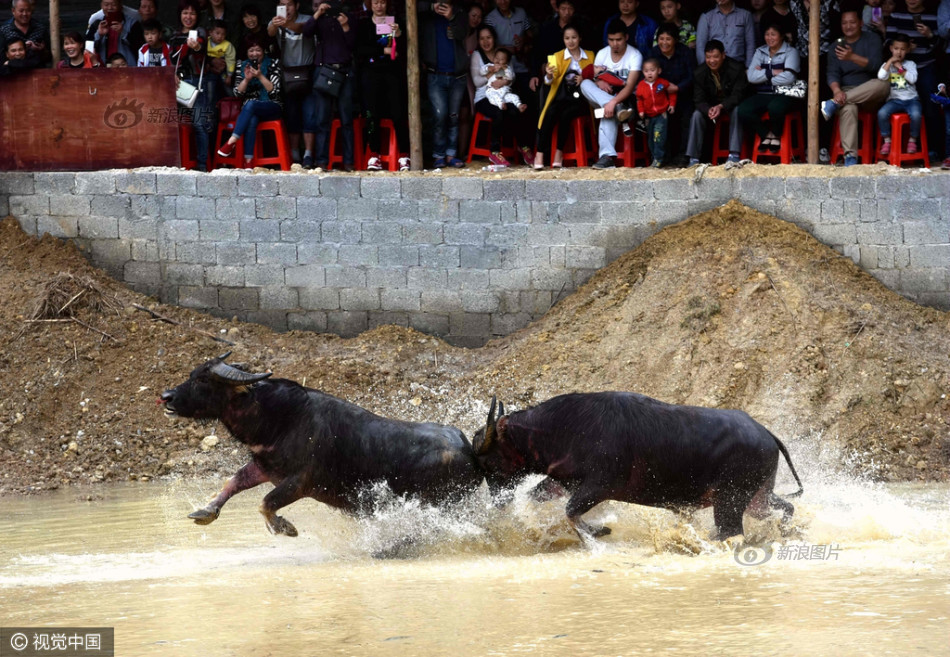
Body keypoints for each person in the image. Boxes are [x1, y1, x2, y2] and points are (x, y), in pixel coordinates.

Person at [819, 10, 887, 166]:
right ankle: (850, 157)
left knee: (883, 84)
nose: (848, 26)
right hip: (846, 91)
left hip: (870, 91)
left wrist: (852, 57)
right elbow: (832, 73)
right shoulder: (835, 46)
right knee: (848, 108)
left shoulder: (872, 39)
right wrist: (837, 91)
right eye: (844, 23)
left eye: (852, 22)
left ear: (861, 23)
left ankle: (833, 104)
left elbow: (877, 66)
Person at [300, 1, 358, 171]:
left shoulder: (349, 17)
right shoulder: (320, 19)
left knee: (346, 119)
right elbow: (306, 32)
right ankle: (321, 161)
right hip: (324, 71)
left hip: (344, 71)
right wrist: (318, 13)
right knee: (322, 119)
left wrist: (345, 26)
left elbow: (353, 45)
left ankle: (349, 162)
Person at [356, 0, 411, 171]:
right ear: (370, 4)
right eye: (375, 2)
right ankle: (374, 154)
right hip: (371, 73)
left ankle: (404, 155)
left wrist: (399, 34)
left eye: (382, 2)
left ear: (387, 4)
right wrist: (381, 51)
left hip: (392, 73)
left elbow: (407, 49)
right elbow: (359, 50)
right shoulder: (364, 24)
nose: (379, 6)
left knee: (398, 112)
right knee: (372, 113)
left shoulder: (396, 23)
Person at [580, 18, 641, 169]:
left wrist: (614, 102)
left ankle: (607, 157)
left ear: (626, 37)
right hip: (604, 98)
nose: (615, 44)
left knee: (608, 111)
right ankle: (615, 108)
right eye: (611, 40)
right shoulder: (602, 53)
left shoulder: (635, 55)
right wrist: (598, 82)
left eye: (618, 40)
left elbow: (629, 87)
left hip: (627, 102)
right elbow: (593, 76)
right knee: (585, 83)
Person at [533, 24, 594, 168]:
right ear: (563, 39)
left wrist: (585, 78)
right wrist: (548, 75)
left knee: (566, 114)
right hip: (563, 96)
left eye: (574, 37)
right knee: (551, 112)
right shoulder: (557, 56)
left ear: (580, 38)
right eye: (567, 38)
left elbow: (597, 75)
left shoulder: (590, 55)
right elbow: (549, 82)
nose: (570, 41)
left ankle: (559, 152)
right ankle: (539, 154)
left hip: (582, 99)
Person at [215, 38, 283, 166]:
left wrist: (260, 76)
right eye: (251, 50)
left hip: (271, 106)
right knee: (252, 117)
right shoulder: (242, 65)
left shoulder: (273, 63)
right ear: (247, 53)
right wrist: (246, 80)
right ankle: (248, 162)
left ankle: (231, 142)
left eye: (258, 50)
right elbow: (237, 93)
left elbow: (274, 92)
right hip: (250, 110)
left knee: (251, 104)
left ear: (263, 51)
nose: (254, 54)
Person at [419, 0, 469, 168]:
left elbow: (462, 34)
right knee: (440, 116)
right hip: (435, 74)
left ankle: (451, 154)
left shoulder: (460, 13)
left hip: (457, 76)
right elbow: (410, 11)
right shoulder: (427, 15)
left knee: (453, 116)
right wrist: (430, 7)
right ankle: (439, 154)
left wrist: (451, 17)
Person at [736, 23, 800, 152]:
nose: (769, 38)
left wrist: (763, 75)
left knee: (775, 107)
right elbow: (751, 77)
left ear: (781, 36)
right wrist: (773, 72)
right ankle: (766, 134)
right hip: (763, 94)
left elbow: (789, 77)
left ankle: (776, 134)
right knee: (742, 110)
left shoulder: (791, 52)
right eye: (767, 34)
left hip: (784, 94)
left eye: (773, 34)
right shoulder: (760, 51)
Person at [485, 0, 538, 155]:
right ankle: (508, 147)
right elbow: (489, 43)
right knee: (508, 109)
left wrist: (523, 42)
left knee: (525, 107)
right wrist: (506, 51)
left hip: (522, 67)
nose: (503, 1)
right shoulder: (490, 18)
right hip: (502, 70)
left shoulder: (521, 13)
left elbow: (531, 36)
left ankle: (527, 146)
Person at [686, 39, 749, 165]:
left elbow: (738, 95)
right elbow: (698, 100)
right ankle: (693, 158)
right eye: (708, 57)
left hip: (730, 105)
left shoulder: (736, 68)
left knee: (737, 111)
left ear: (723, 55)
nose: (712, 61)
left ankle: (734, 155)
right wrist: (708, 109)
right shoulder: (700, 72)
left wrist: (721, 106)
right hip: (711, 107)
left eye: (715, 56)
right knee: (697, 115)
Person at [267, 0, 313, 165]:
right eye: (282, 4)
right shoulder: (276, 20)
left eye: (290, 4)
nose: (286, 8)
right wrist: (275, 25)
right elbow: (270, 32)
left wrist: (287, 24)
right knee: (292, 114)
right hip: (288, 75)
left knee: (309, 114)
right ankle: (294, 155)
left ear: (297, 5)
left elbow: (303, 29)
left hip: (307, 72)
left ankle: (308, 154)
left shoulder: (307, 19)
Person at [170, 0, 214, 172]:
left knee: (199, 124)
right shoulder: (174, 35)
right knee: (172, 122)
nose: (188, 17)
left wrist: (195, 47)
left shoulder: (200, 32)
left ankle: (202, 165)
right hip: (178, 83)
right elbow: (171, 59)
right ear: (180, 15)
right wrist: (172, 74)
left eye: (192, 13)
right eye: (185, 13)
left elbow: (201, 49)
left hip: (196, 82)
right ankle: (176, 162)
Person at [471, 24, 524, 166]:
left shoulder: (502, 54)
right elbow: (476, 82)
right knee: (498, 112)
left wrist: (504, 81)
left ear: (494, 38)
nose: (485, 41)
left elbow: (511, 76)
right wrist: (491, 73)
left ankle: (522, 147)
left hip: (503, 93)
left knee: (515, 110)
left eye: (488, 37)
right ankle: (494, 152)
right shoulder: (477, 56)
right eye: (482, 38)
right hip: (484, 97)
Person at [649, 22, 695, 165]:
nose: (664, 43)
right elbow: (647, 75)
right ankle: (661, 156)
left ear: (675, 40)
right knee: (659, 122)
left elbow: (692, 76)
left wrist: (678, 88)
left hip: (683, 94)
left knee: (686, 119)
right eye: (661, 39)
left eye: (668, 39)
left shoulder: (685, 52)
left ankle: (683, 155)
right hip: (660, 95)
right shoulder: (653, 54)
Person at [876, 33, 920, 156]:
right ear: (891, 49)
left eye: (902, 49)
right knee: (882, 113)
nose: (899, 52)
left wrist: (900, 68)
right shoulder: (887, 65)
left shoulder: (911, 64)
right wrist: (890, 61)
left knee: (916, 115)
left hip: (912, 100)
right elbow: (881, 76)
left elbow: (913, 79)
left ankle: (912, 140)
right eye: (896, 49)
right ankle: (887, 140)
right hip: (894, 100)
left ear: (908, 50)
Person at [635, 57, 677, 166]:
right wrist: (641, 111)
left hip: (661, 115)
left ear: (659, 71)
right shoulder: (641, 86)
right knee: (650, 138)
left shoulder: (662, 83)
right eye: (646, 71)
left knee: (659, 136)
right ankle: (654, 157)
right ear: (642, 72)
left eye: (652, 70)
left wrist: (672, 105)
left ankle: (659, 159)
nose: (649, 73)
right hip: (649, 116)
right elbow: (639, 99)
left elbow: (672, 92)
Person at [695, 0, 756, 66]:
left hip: (738, 64)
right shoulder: (706, 16)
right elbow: (700, 46)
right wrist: (705, 68)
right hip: (714, 65)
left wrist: (749, 68)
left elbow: (750, 44)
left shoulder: (745, 15)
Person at [86, 0, 142, 69]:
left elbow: (140, 46)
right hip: (102, 68)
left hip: (127, 67)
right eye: (106, 5)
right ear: (101, 6)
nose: (110, 8)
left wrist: (123, 33)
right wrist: (99, 35)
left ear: (120, 5)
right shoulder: (96, 23)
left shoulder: (133, 23)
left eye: (113, 4)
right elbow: (88, 48)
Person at [1, 0, 50, 68]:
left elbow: (50, 56)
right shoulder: (4, 29)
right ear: (13, 11)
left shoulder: (40, 28)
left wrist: (41, 50)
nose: (25, 14)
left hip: (37, 71)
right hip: (12, 71)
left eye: (28, 11)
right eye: (21, 11)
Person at [206, 18, 236, 90]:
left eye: (223, 34)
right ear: (210, 32)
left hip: (223, 71)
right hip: (209, 70)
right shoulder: (206, 42)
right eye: (217, 33)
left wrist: (229, 75)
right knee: (210, 89)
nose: (220, 36)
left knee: (227, 88)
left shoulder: (227, 45)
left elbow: (231, 60)